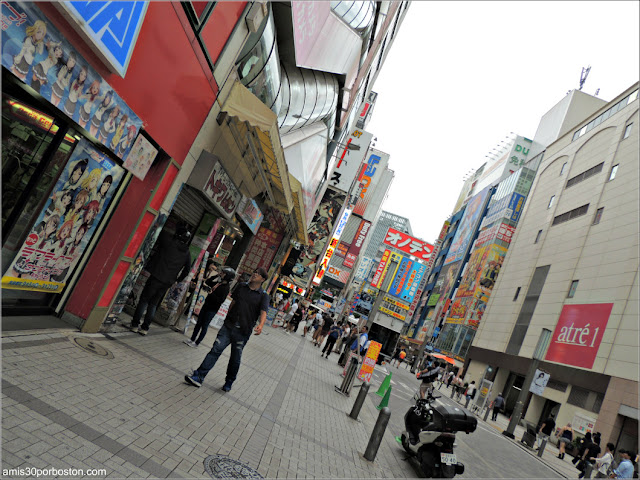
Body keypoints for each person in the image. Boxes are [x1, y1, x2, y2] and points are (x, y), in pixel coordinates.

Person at [185, 268, 270, 391]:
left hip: (243, 331)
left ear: (262, 279)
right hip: (228, 326)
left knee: (235, 358)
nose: (255, 274)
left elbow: (263, 312)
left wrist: (261, 325)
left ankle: (229, 381)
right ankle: (199, 376)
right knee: (215, 349)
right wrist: (227, 316)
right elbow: (233, 302)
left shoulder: (263, 296)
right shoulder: (241, 286)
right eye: (255, 272)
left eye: (258, 274)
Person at [128, 225, 192, 335]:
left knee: (144, 300)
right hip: (167, 282)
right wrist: (177, 280)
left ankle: (135, 325)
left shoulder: (169, 243)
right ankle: (145, 328)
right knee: (153, 304)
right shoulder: (187, 253)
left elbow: (160, 232)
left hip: (156, 276)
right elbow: (187, 270)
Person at [184, 267, 235, 347]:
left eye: (224, 273)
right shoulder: (219, 283)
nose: (222, 274)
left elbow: (220, 300)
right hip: (206, 306)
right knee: (198, 323)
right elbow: (208, 281)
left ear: (228, 276)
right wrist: (216, 275)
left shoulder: (225, 288)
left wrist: (211, 293)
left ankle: (197, 343)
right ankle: (192, 339)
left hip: (212, 309)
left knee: (204, 326)